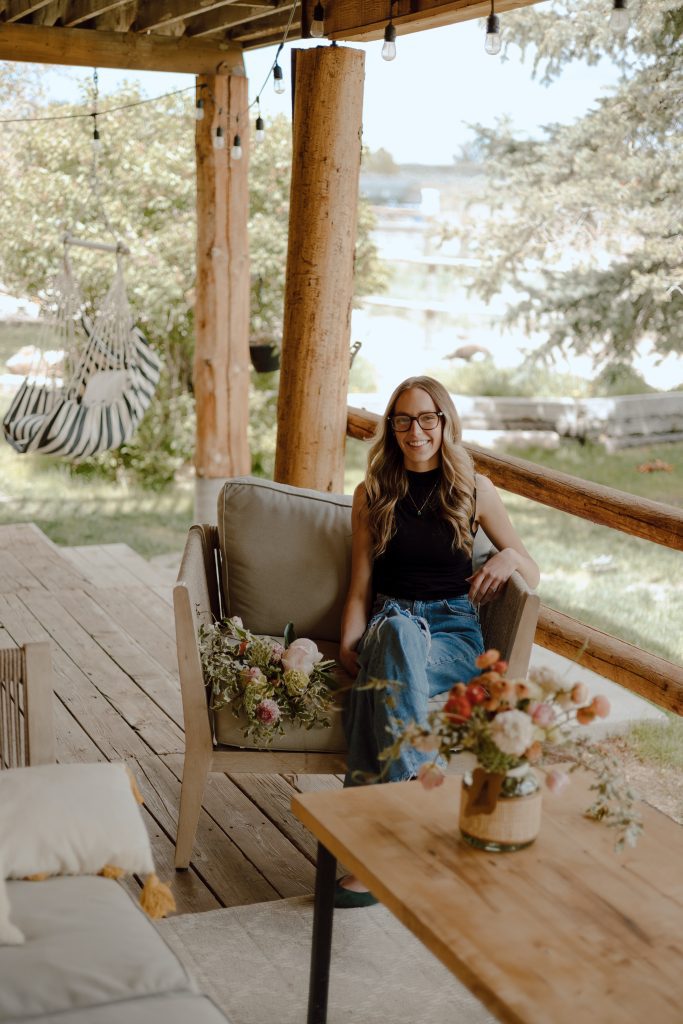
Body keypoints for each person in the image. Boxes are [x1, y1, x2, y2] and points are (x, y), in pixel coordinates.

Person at [336, 376, 539, 907]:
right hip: (391, 622)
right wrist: (349, 644)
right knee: (397, 635)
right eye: (402, 420)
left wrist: (508, 557)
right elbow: (360, 588)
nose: (415, 430)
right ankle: (410, 828)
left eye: (427, 418)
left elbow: (532, 569)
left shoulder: (474, 489)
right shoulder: (372, 494)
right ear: (392, 428)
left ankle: (370, 846)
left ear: (444, 422)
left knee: (393, 663)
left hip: (453, 635)